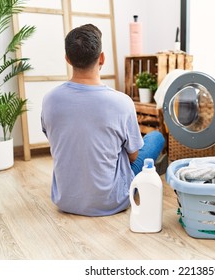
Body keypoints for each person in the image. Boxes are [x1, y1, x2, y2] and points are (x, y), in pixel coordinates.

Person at [41, 24, 165, 216]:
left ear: (67, 59)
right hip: (113, 201)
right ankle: (149, 176)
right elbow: (133, 156)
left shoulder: (49, 100)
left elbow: (58, 139)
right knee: (156, 137)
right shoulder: (122, 103)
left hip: (65, 201)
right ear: (102, 58)